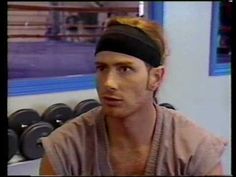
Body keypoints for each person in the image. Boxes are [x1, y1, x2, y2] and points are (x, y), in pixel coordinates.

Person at [39, 17, 228, 176]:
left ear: (155, 77)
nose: (108, 83)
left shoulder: (196, 150)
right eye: (102, 68)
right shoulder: (64, 150)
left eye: (125, 69)